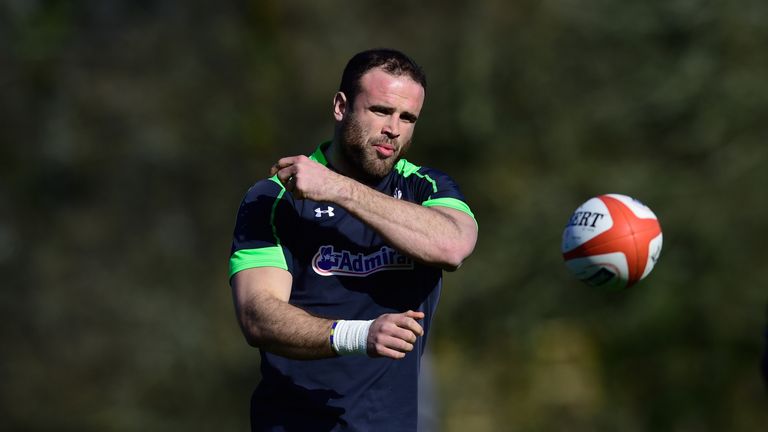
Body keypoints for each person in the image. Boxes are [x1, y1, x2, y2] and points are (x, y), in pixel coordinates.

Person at [228, 48, 478, 431]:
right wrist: (359, 335)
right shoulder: (272, 197)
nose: (394, 128)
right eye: (381, 111)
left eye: (407, 117)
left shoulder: (426, 187)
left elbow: (453, 246)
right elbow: (257, 316)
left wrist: (338, 188)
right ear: (341, 106)